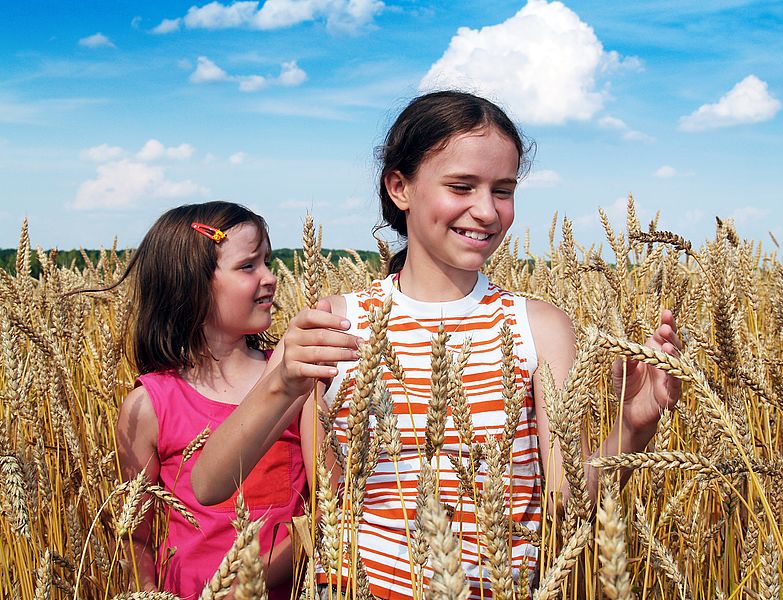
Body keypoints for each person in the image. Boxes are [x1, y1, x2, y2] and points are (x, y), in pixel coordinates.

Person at [191, 91, 682, 599]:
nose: (487, 211)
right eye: (462, 186)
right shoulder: (339, 321)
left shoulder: (540, 327)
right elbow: (211, 485)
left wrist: (632, 425)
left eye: (504, 190)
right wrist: (282, 381)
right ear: (400, 186)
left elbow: (566, 504)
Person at [113, 201, 308, 598]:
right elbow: (135, 535)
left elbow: (325, 514)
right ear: (190, 284)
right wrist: (146, 591)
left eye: (268, 262)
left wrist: (249, 580)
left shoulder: (295, 383)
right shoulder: (148, 405)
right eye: (248, 266)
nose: (270, 277)